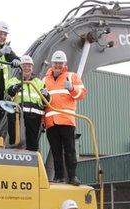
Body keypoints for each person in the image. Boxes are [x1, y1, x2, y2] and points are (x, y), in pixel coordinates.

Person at [42, 50, 87, 186]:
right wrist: (42, 121)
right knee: (55, 151)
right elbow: (42, 103)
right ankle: (59, 176)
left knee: (69, 150)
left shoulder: (71, 76)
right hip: (51, 121)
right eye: (56, 63)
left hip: (66, 120)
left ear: (64, 64)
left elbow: (82, 94)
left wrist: (72, 88)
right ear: (52, 63)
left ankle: (72, 176)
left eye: (60, 63)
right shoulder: (44, 80)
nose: (58, 66)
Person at [4, 55, 49, 151]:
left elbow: (45, 101)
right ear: (20, 68)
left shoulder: (38, 82)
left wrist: (46, 95)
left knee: (32, 143)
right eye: (24, 66)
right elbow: (10, 92)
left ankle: (32, 160)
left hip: (35, 115)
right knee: (17, 140)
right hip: (19, 115)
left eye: (29, 66)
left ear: (32, 68)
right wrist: (15, 87)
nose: (27, 68)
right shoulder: (14, 80)